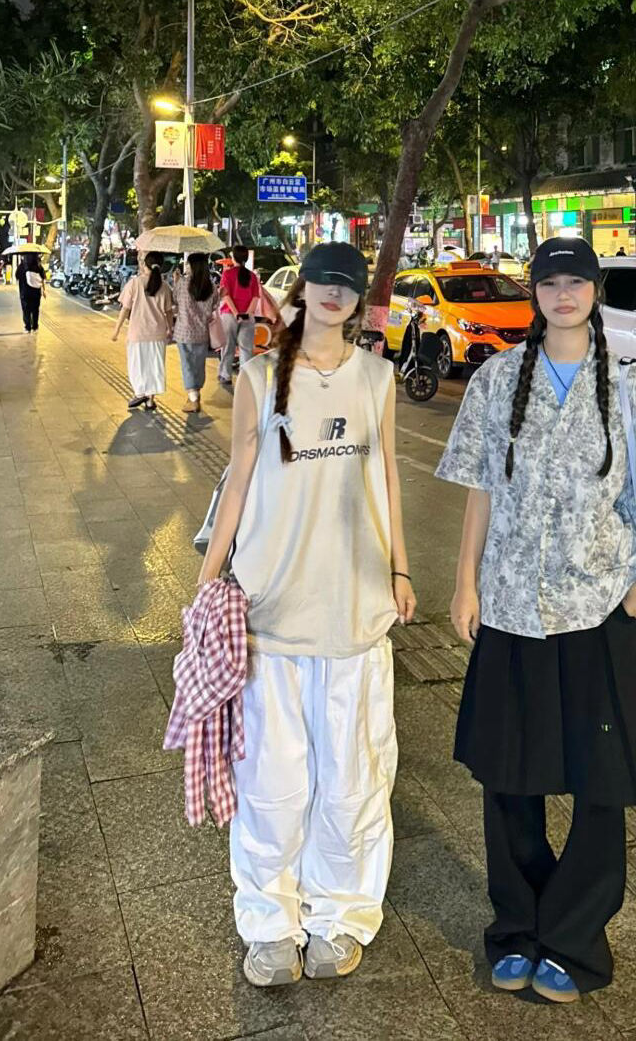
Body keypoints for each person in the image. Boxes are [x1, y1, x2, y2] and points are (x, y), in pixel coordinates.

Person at [435, 236, 636, 1005]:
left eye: (577, 281)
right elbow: (480, 489)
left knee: (601, 781)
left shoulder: (631, 385)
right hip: (512, 604)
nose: (564, 294)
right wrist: (465, 583)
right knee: (509, 777)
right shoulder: (496, 378)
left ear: (595, 290)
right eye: (551, 282)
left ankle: (574, 937)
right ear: (535, 292)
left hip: (599, 607)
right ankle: (517, 926)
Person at [197, 241, 416, 990]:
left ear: (359, 300)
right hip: (270, 609)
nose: (332, 293)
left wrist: (401, 568)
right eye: (321, 280)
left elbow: (387, 476)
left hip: (356, 608)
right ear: (300, 291)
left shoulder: (377, 379)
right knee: (271, 783)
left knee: (353, 778)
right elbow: (237, 483)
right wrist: (206, 581)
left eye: (346, 285)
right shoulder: (260, 376)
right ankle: (269, 925)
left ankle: (341, 916)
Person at [111, 251, 174, 411]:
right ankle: (150, 400)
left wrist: (116, 330)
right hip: (158, 333)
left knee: (137, 365)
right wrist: (170, 329)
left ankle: (140, 393)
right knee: (154, 366)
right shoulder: (165, 286)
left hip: (137, 333)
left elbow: (125, 309)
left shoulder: (134, 283)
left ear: (144, 264)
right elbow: (168, 311)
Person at [173, 252, 219, 413]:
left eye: (188, 264)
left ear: (193, 266)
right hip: (202, 332)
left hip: (184, 331)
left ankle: (193, 399)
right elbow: (215, 305)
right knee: (199, 364)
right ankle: (195, 393)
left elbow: (175, 300)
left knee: (187, 364)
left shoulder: (182, 283)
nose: (186, 267)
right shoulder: (211, 286)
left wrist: (176, 281)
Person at [219, 244, 263, 387]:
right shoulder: (252, 276)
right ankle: (245, 378)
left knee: (228, 347)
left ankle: (225, 375)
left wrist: (236, 313)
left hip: (229, 315)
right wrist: (247, 313)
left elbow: (225, 296)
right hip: (247, 317)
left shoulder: (227, 274)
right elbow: (255, 297)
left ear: (234, 257)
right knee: (246, 349)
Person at [15, 252, 47, 331]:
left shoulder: (22, 266)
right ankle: (35, 326)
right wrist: (44, 290)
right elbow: (43, 278)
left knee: (26, 309)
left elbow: (17, 276)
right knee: (35, 309)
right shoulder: (38, 266)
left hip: (24, 292)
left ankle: (27, 326)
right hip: (36, 292)